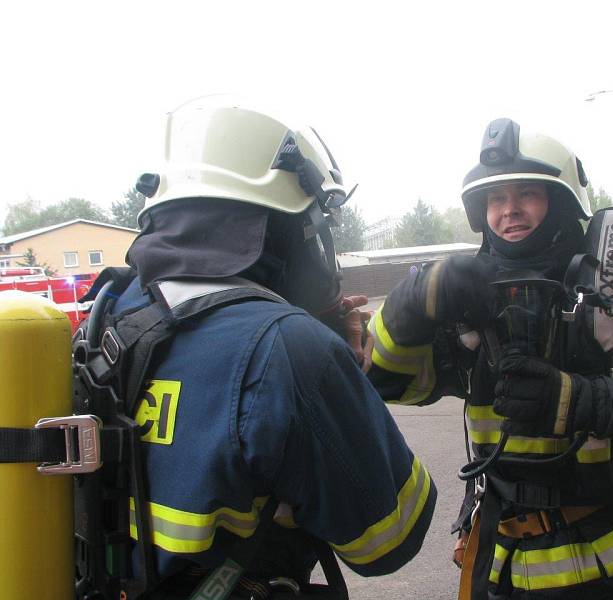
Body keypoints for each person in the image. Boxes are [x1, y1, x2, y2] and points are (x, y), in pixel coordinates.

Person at [76, 98, 436, 599]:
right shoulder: (289, 350)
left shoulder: (113, 307)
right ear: (292, 224)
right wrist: (332, 378)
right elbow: (391, 540)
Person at [367, 118, 613, 599]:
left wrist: (578, 400)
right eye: (496, 199)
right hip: (504, 572)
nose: (509, 211)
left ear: (561, 202)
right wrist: (409, 305)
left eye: (526, 195)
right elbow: (388, 381)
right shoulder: (468, 306)